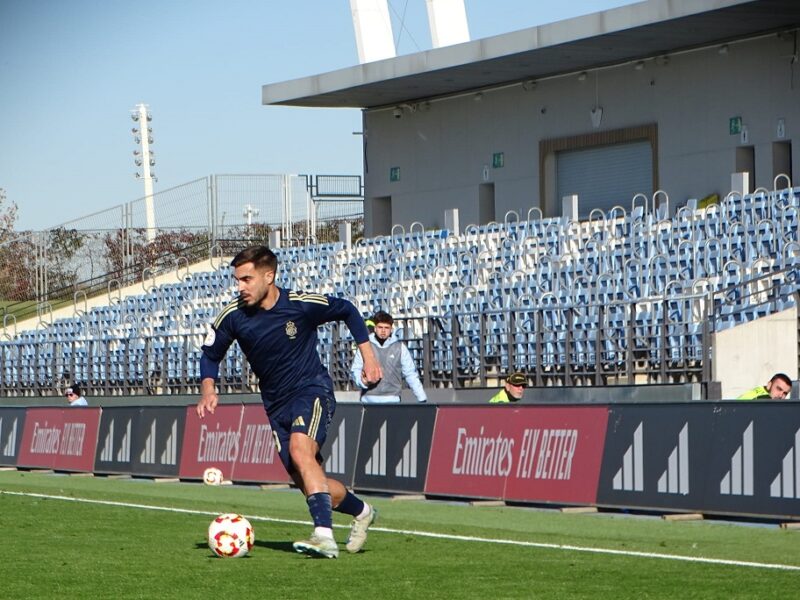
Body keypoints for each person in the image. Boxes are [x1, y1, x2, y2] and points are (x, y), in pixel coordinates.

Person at [196, 245, 383, 559]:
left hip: (311, 390)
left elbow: (348, 310)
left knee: (300, 450)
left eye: (246, 279)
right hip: (275, 405)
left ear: (269, 276)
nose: (239, 287)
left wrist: (369, 356)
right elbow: (210, 355)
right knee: (309, 480)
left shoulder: (300, 305)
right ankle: (363, 511)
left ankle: (324, 536)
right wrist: (208, 389)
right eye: (237, 280)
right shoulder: (233, 316)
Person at [350, 310, 427, 404]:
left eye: (386, 328)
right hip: (368, 400)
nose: (383, 331)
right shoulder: (365, 347)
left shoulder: (400, 348)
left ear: (391, 329)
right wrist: (363, 382)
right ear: (375, 328)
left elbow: (410, 374)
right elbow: (355, 370)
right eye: (380, 327)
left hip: (393, 400)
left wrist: (421, 398)